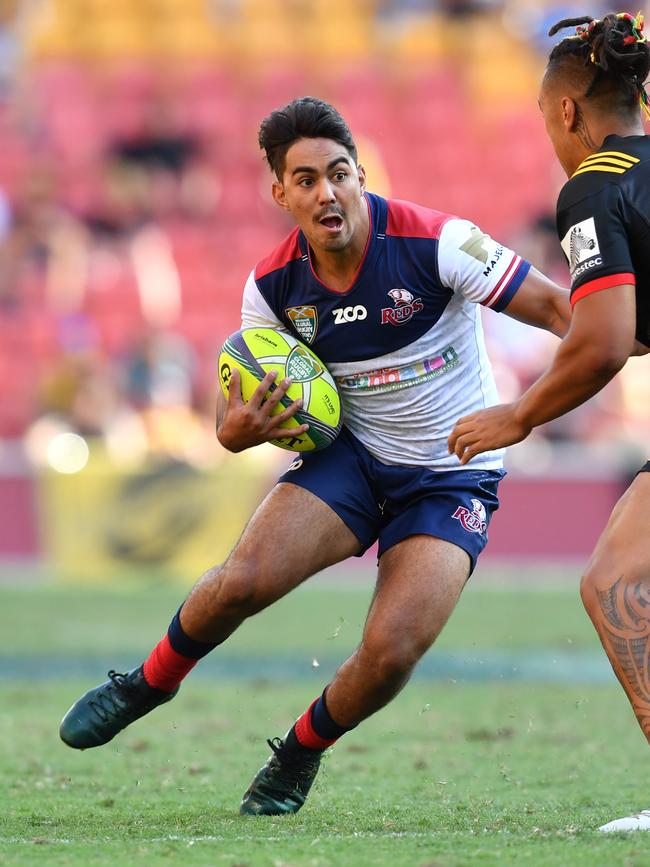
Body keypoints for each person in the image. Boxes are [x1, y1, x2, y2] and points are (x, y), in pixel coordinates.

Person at [59, 97, 569, 816]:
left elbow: (562, 313)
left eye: (338, 173)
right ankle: (147, 681)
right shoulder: (272, 287)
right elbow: (228, 423)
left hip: (452, 472)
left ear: (360, 174)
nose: (326, 192)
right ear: (281, 194)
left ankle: (300, 749)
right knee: (240, 581)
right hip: (354, 460)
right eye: (306, 180)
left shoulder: (440, 244)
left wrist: (528, 410)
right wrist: (244, 428)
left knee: (391, 651)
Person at [448, 11, 650, 833]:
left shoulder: (594, 184)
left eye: (543, 120)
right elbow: (623, 329)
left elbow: (603, 344)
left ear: (567, 111)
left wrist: (519, 414)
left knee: (615, 584)